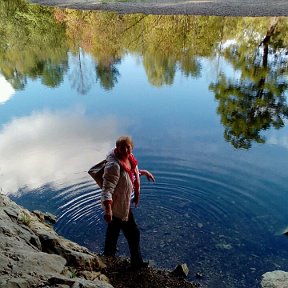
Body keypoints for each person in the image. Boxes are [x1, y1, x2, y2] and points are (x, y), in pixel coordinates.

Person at [101, 136, 155, 269]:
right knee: (133, 233)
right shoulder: (114, 165)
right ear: (116, 148)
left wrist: (142, 172)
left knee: (113, 231)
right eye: (122, 147)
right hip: (117, 206)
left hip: (121, 203)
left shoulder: (129, 157)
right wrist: (108, 211)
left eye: (128, 147)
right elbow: (107, 189)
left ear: (132, 148)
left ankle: (108, 257)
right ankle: (136, 263)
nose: (125, 150)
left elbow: (130, 173)